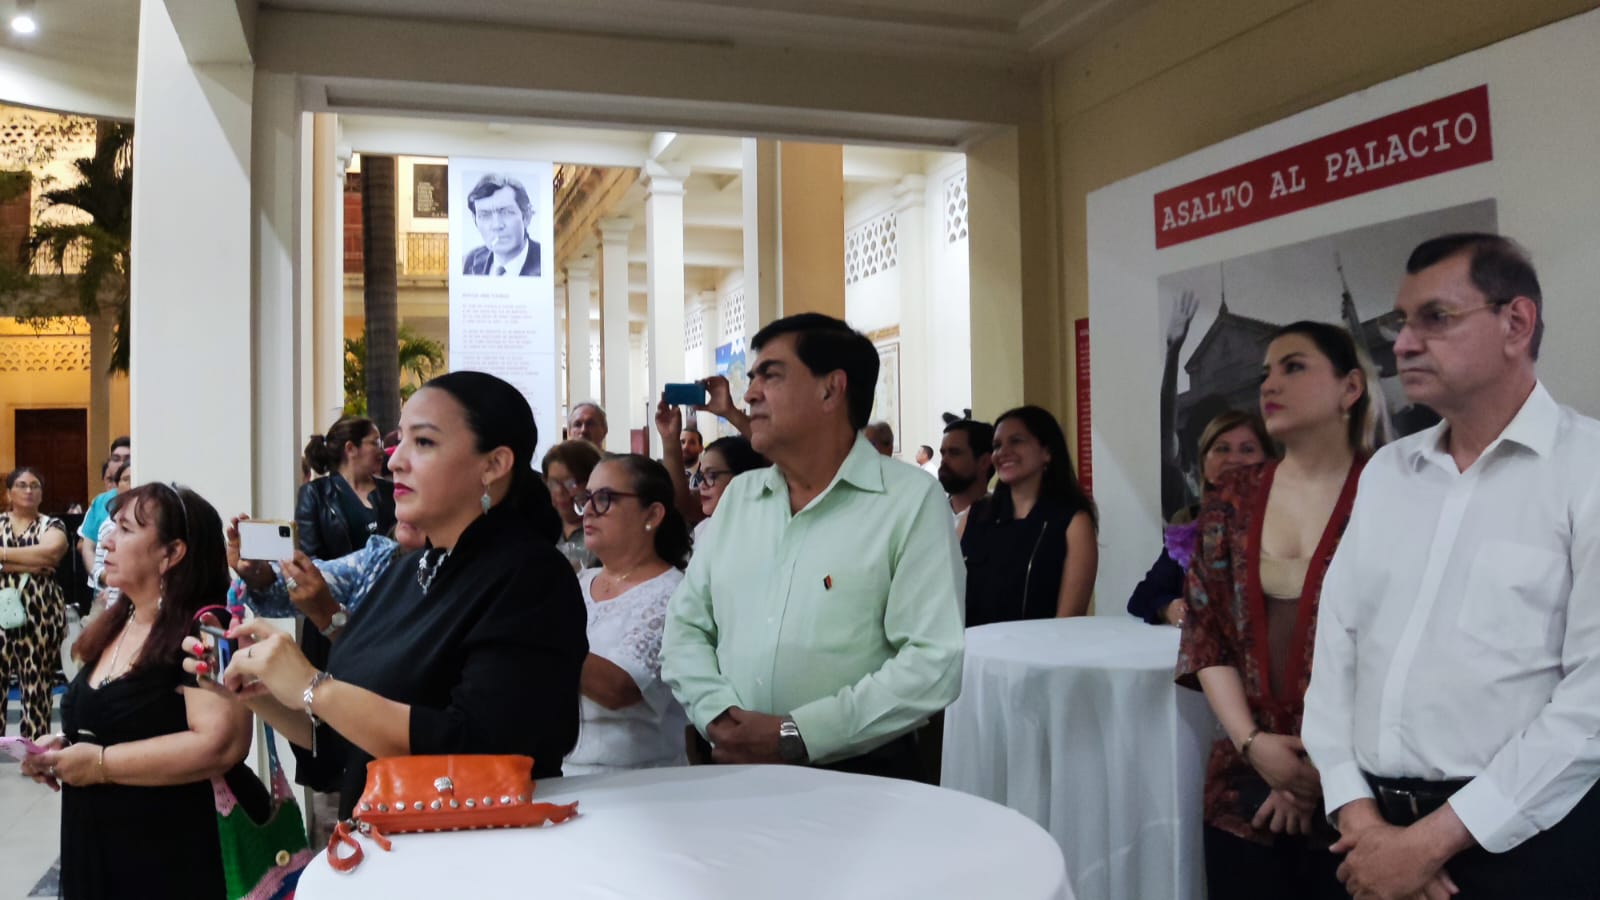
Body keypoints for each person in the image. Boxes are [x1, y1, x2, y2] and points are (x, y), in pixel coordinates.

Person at [1303, 235, 1600, 899]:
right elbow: (1336, 653)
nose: (1403, 344)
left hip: (1523, 846)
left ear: (1516, 323)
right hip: (1366, 836)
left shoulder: (1587, 474)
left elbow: (1592, 704)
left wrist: (1431, 842)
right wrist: (1360, 819)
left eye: (1435, 319)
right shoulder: (1387, 473)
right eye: (1400, 323)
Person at [186, 371, 588, 820]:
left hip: (468, 853)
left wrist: (310, 685)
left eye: (425, 443)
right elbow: (346, 741)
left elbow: (480, 745)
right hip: (378, 845)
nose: (395, 461)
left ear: (493, 464)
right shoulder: (409, 569)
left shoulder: (529, 576)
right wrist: (259, 689)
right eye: (400, 441)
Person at [662, 313, 964, 781]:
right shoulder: (741, 498)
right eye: (752, 377)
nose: (749, 394)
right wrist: (719, 717)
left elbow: (932, 661)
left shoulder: (907, 501)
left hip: (858, 779)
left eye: (771, 375)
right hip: (729, 768)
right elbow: (686, 626)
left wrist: (795, 734)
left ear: (831, 389)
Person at [1175, 320, 1372, 900]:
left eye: (1294, 367)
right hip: (1246, 777)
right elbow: (1206, 631)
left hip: (1359, 781)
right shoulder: (1233, 495)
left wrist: (1310, 770)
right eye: (1265, 373)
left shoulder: (1389, 487)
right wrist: (1256, 746)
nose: (1270, 384)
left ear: (1350, 388)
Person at [24, 483, 257, 900]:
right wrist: (61, 748)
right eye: (112, 527)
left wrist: (100, 763)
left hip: (170, 852)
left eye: (127, 530)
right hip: (101, 843)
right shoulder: (120, 621)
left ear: (171, 553)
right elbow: (122, 720)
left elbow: (222, 743)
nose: (107, 541)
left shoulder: (204, 630)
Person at [292, 415, 396, 824]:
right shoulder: (317, 495)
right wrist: (351, 576)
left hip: (381, 616)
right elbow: (313, 557)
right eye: (374, 442)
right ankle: (343, 787)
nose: (381, 451)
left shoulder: (389, 493)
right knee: (334, 705)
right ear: (350, 449)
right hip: (332, 614)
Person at [564, 455, 691, 775]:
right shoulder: (577, 584)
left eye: (605, 499)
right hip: (561, 769)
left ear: (653, 514)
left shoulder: (674, 593)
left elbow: (620, 688)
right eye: (586, 498)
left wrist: (535, 631)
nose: (589, 510)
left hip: (639, 778)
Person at [1127, 410, 1272, 626]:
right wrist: (1168, 608)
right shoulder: (1189, 528)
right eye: (1222, 449)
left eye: (1247, 449)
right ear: (1204, 463)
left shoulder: (1287, 524)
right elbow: (1141, 598)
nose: (1233, 458)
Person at [960, 406, 1098, 625]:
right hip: (972, 654)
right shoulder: (975, 515)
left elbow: (1068, 620)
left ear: (1047, 452)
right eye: (996, 446)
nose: (1002, 452)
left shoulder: (1073, 522)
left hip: (1038, 654)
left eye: (1016, 441)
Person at [0, 468, 70, 739]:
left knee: (37, 687)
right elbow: (41, 559)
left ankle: (34, 753)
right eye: (21, 485)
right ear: (9, 493)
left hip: (40, 616)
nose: (29, 490)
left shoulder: (51, 525)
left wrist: (3, 557)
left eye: (35, 486)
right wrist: (34, 560)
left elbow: (51, 553)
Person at [690, 435, 769, 546]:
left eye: (711, 475)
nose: (702, 485)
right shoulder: (703, 529)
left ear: (743, 477)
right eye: (701, 476)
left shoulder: (761, 534)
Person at [461, 173, 542, 277]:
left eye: (506, 212)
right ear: (475, 221)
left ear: (526, 217)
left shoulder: (546, 260)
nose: (497, 225)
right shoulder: (469, 261)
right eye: (485, 215)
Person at [542, 439, 604, 571]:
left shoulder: (605, 533)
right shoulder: (543, 528)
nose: (560, 491)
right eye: (554, 483)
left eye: (571, 483)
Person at [87, 461, 135, 614]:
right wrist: (109, 577)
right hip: (115, 606)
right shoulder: (108, 523)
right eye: (126, 479)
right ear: (117, 485)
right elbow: (97, 568)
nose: (131, 484)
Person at [76, 437, 129, 573]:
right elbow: (88, 547)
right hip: (103, 588)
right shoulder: (100, 501)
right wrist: (99, 577)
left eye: (128, 458)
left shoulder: (148, 498)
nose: (121, 464)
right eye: (115, 459)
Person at [937, 418, 994, 537]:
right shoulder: (928, 515)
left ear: (984, 461)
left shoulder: (999, 520)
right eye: (943, 453)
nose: (944, 461)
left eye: (954, 453)